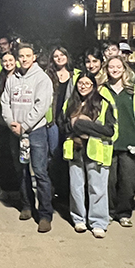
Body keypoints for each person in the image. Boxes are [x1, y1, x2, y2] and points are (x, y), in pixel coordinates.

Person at [1, 43, 54, 232]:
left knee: (39, 172)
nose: (24, 59)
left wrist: (25, 125)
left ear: (34, 57)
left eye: (27, 55)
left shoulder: (42, 78)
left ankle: (45, 214)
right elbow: (5, 102)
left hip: (35, 132)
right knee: (21, 170)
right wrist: (11, 123)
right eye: (21, 56)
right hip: (16, 132)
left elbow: (42, 105)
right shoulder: (11, 79)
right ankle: (27, 206)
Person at [61, 72, 117, 238]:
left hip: (96, 151)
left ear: (93, 86)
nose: (83, 86)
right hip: (75, 149)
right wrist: (76, 126)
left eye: (87, 83)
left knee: (97, 188)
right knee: (76, 187)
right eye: (80, 83)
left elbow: (109, 130)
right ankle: (78, 219)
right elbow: (62, 125)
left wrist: (81, 125)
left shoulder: (103, 104)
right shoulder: (70, 103)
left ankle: (98, 222)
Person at [102, 56, 135, 227]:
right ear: (106, 70)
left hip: (130, 143)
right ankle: (109, 211)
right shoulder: (101, 90)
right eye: (111, 67)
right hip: (107, 142)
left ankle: (124, 213)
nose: (115, 70)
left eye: (118, 66)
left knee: (129, 182)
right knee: (109, 181)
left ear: (124, 69)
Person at [45, 46, 78, 201]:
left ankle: (66, 191)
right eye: (56, 56)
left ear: (67, 56)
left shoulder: (75, 75)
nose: (59, 58)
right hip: (52, 121)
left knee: (68, 155)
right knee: (54, 154)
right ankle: (54, 189)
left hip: (68, 120)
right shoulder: (48, 75)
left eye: (62, 55)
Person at [0, 50, 20, 202]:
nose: (8, 63)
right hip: (2, 123)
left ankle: (18, 189)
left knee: (17, 156)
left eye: (10, 60)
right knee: (4, 156)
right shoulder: (1, 77)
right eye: (5, 61)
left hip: (16, 123)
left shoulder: (21, 76)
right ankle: (5, 188)